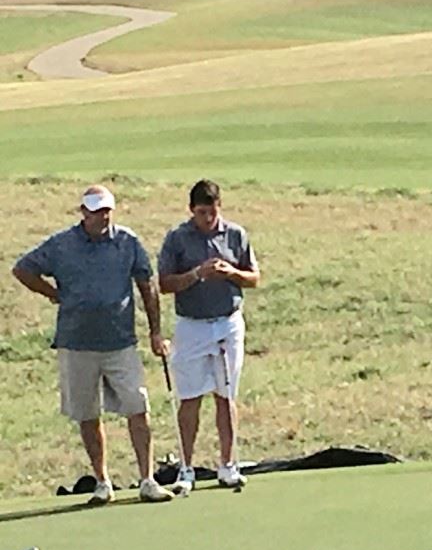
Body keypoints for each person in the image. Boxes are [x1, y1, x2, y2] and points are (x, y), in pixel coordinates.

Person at [12, 185, 175, 505]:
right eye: (96, 210)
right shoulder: (62, 245)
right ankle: (102, 482)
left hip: (120, 342)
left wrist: (156, 331)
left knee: (138, 407)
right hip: (77, 343)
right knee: (88, 414)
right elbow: (22, 269)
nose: (103, 216)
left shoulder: (127, 242)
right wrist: (52, 294)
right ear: (83, 212)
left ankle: (147, 480)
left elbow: (147, 285)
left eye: (107, 210)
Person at [158, 179, 260, 491]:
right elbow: (164, 283)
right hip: (192, 324)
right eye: (202, 212)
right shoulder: (177, 238)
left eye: (213, 212)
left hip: (228, 321)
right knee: (189, 397)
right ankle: (186, 469)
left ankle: (228, 465)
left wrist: (232, 274)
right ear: (192, 210)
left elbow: (254, 278)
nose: (208, 218)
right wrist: (197, 274)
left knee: (225, 394)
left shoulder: (235, 234)